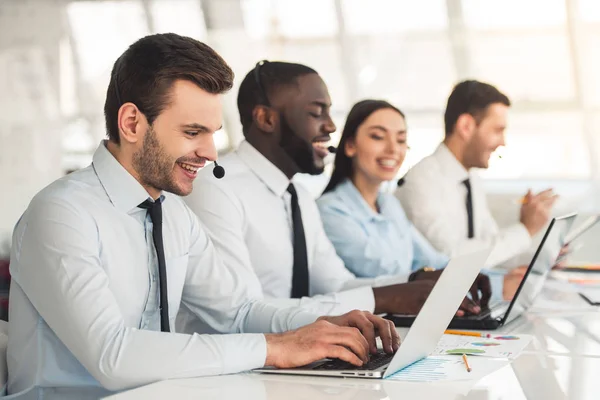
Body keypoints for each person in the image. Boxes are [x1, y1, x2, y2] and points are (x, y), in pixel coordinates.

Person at [6, 35, 399, 395]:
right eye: (193, 132)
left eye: (213, 133)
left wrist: (327, 325)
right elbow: (114, 355)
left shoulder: (174, 215)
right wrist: (275, 348)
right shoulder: (60, 214)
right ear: (131, 124)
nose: (211, 153)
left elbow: (239, 311)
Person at [183, 61, 489, 334]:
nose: (330, 126)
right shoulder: (217, 189)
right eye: (317, 113)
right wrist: (385, 297)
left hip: (297, 354)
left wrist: (414, 283)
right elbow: (242, 314)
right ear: (266, 119)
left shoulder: (299, 197)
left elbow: (335, 284)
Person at [317, 99, 525, 301]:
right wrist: (496, 286)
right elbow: (389, 272)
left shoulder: (389, 205)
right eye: (378, 137)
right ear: (350, 145)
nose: (393, 149)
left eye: (400, 140)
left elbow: (432, 260)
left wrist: (496, 279)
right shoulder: (331, 211)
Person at [395, 80, 557, 269]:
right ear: (466, 126)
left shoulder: (471, 180)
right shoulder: (420, 181)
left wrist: (542, 258)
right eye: (497, 130)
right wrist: (525, 229)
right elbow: (452, 259)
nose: (502, 142)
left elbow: (489, 250)